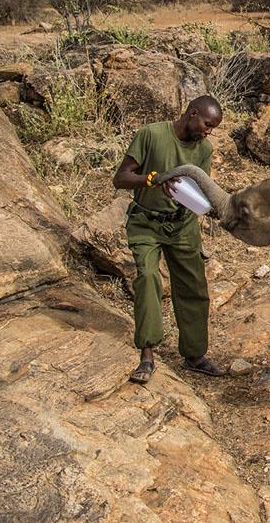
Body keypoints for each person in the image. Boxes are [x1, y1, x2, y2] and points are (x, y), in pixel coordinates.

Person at [113, 95, 225, 384]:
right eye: (207, 124)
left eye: (212, 128)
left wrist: (210, 208)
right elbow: (121, 178)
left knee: (194, 287)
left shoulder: (204, 148)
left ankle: (194, 355)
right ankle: (147, 355)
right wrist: (153, 180)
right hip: (146, 223)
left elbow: (200, 187)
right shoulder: (151, 134)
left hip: (183, 226)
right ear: (192, 114)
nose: (208, 131)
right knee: (149, 279)